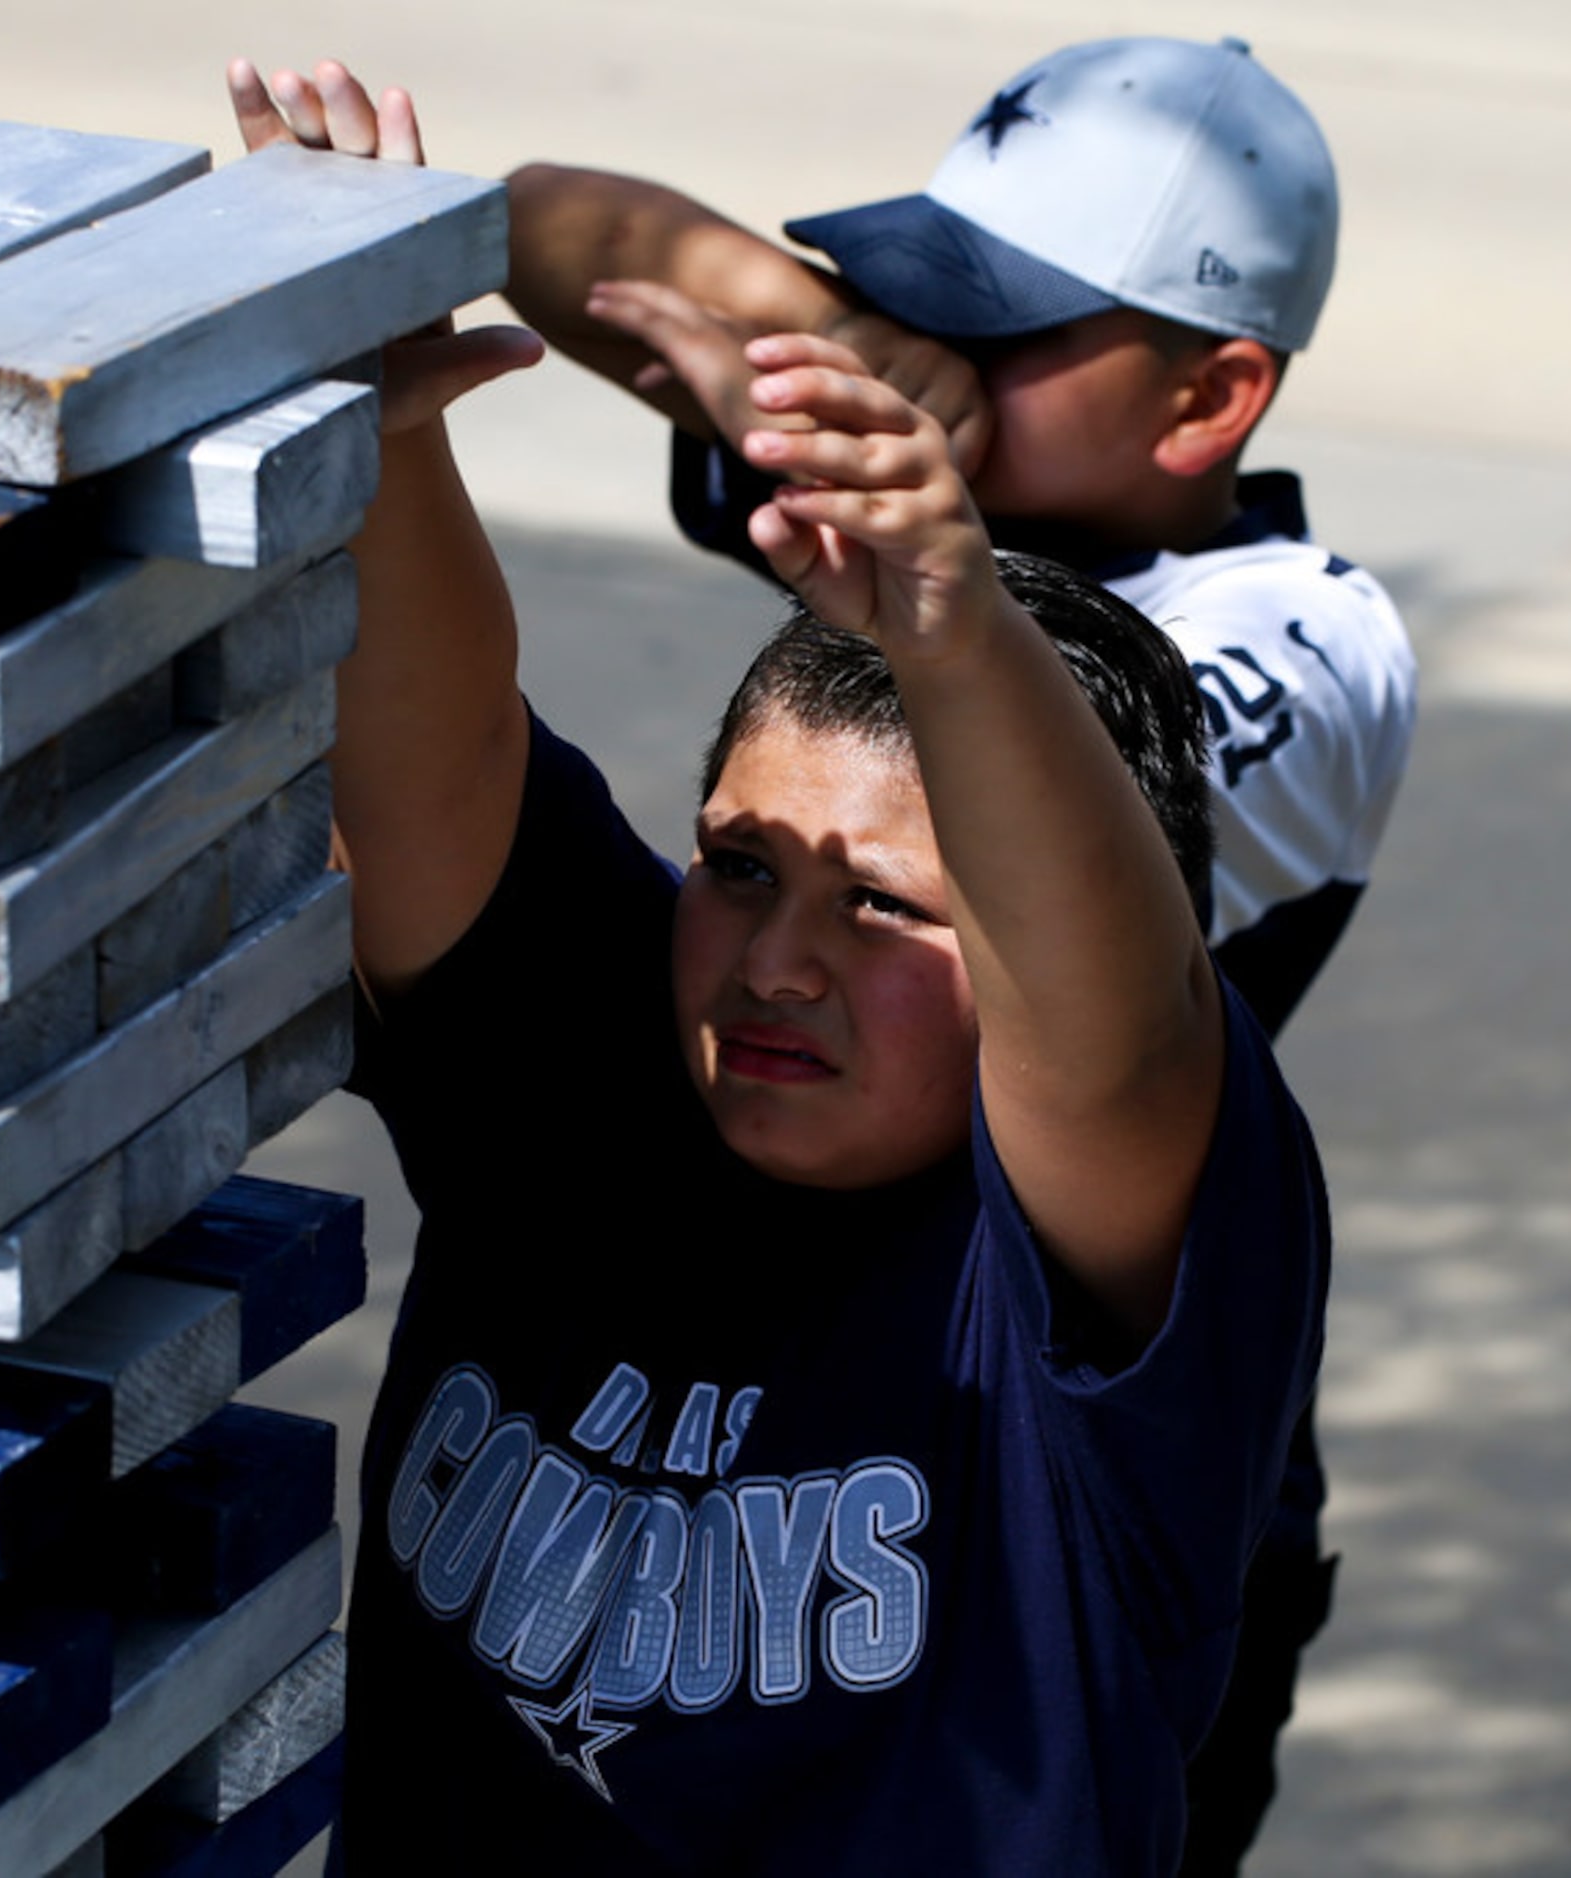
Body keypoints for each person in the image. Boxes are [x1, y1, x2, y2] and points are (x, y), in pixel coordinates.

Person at [227, 60, 1328, 1874]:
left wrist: (955, 622)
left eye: (888, 908)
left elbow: (1119, 1028)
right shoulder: (602, 1078)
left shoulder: (1084, 1295)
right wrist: (382, 425)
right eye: (736, 866)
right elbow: (443, 767)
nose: (779, 960)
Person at [506, 39, 1407, 1863]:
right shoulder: (924, 506)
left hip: (1107, 1437)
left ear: (1210, 392)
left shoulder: (1304, 640)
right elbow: (536, 230)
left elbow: (1061, 860)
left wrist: (923, 532)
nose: (937, 360)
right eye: (920, 296)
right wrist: (800, 328)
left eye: (999, 330)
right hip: (846, 1387)